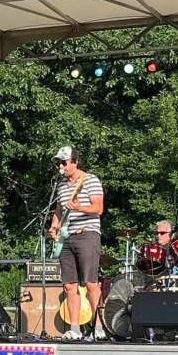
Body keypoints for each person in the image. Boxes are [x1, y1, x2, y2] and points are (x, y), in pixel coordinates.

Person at [48, 146, 105, 340]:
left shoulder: (90, 180)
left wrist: (80, 207)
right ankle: (75, 329)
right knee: (70, 285)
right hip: (66, 238)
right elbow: (59, 210)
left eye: (64, 162)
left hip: (86, 234)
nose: (61, 167)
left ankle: (99, 328)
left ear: (75, 162)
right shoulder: (62, 186)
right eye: (59, 163)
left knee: (90, 283)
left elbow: (98, 208)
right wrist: (54, 225)